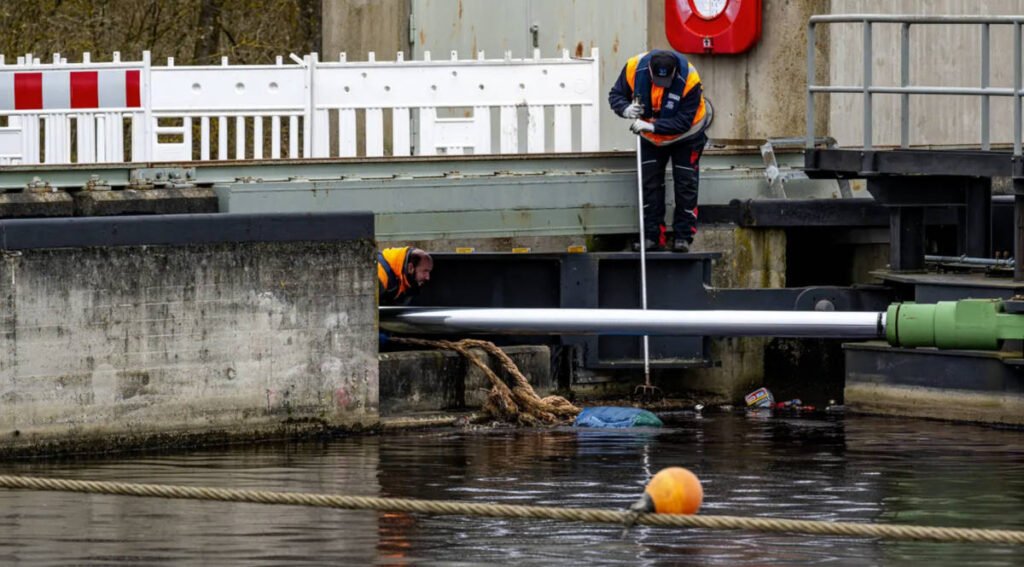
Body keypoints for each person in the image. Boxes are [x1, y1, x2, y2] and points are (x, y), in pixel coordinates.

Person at [608, 49, 713, 253]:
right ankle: (652, 236)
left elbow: (683, 121)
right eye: (657, 80)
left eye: (666, 81)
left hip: (687, 136)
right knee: (650, 184)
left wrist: (652, 126)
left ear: (674, 73)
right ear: (649, 71)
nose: (660, 85)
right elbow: (616, 95)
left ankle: (683, 236)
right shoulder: (632, 68)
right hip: (650, 138)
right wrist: (625, 109)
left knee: (686, 183)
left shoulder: (690, 78)